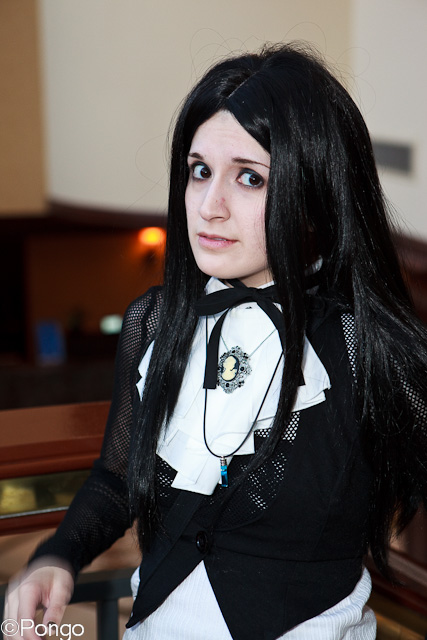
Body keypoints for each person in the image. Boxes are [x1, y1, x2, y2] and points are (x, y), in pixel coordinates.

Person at [4, 42, 427, 640]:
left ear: (313, 194)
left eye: (250, 178)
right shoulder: (155, 322)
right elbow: (117, 479)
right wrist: (58, 555)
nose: (209, 207)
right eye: (200, 170)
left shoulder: (365, 346)